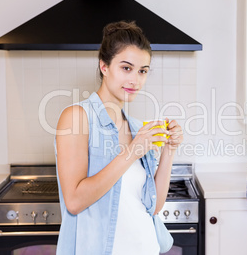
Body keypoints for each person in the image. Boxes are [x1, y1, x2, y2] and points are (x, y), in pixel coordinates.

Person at [54, 21, 183, 254]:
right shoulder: (76, 117)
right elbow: (74, 201)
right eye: (126, 68)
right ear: (104, 66)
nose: (135, 80)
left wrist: (169, 150)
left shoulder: (135, 128)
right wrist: (132, 151)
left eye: (142, 71)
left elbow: (153, 207)